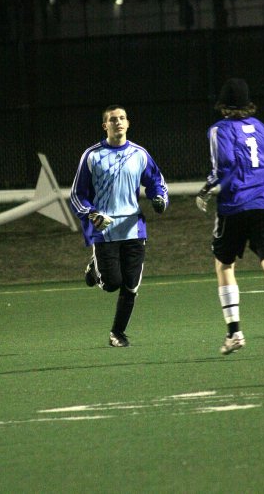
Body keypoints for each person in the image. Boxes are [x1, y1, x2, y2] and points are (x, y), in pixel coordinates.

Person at [196, 78, 264, 355]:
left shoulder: (218, 130)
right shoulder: (262, 128)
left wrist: (206, 189)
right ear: (248, 104)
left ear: (222, 105)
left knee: (224, 266)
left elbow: (222, 164)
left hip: (233, 207)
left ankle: (234, 332)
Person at [70, 104, 169, 347]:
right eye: (113, 119)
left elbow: (156, 182)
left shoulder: (139, 154)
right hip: (104, 231)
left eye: (122, 118)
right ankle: (95, 269)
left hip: (134, 228)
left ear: (128, 123)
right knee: (112, 283)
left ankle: (118, 333)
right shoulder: (92, 156)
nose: (118, 122)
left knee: (131, 285)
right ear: (105, 126)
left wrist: (159, 199)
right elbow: (76, 195)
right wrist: (91, 213)